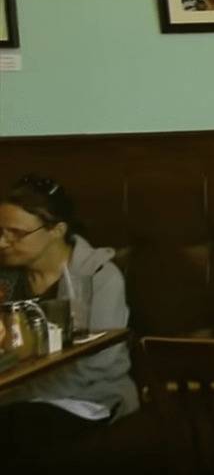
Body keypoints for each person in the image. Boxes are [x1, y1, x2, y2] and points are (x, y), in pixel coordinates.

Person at [0, 174, 140, 468]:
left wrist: (15, 393)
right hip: (14, 396)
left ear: (56, 230)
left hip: (87, 398)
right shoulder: (6, 279)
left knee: (18, 428)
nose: (3, 242)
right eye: (0, 231)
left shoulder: (99, 277)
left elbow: (96, 364)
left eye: (16, 233)